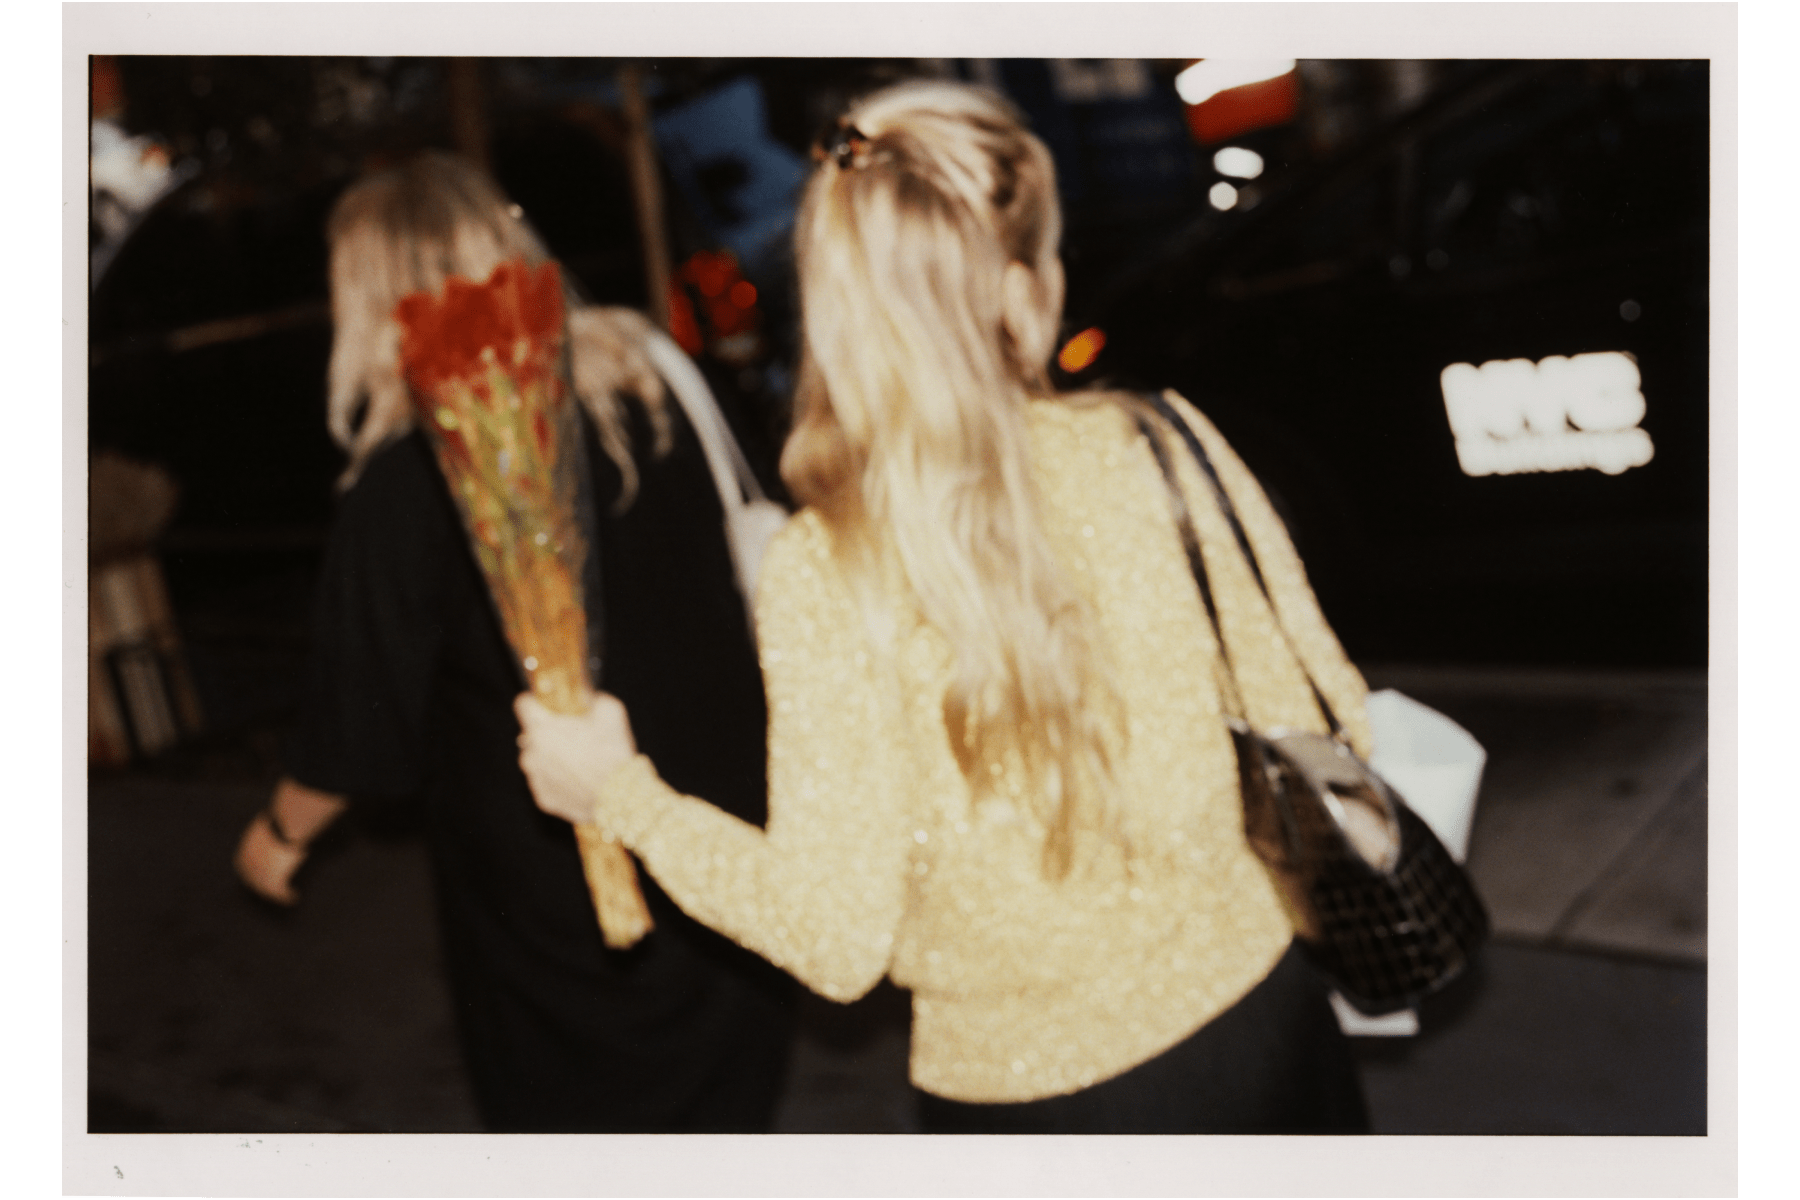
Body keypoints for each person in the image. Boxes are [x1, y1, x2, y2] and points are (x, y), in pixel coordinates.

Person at [514, 81, 1371, 1134]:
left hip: (1032, 1104)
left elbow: (835, 941)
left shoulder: (826, 570)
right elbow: (1328, 718)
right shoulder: (1160, 442)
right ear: (1020, 291)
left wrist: (621, 795)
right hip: (1269, 1034)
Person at [230, 151, 796, 1133]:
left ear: (369, 297)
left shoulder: (406, 484)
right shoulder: (656, 385)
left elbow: (359, 730)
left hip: (554, 916)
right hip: (729, 852)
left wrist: (277, 838)